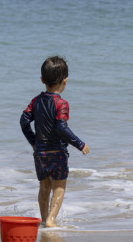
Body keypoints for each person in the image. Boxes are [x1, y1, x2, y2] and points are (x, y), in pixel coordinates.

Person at [20, 56, 90, 227]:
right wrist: (80, 144)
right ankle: (51, 220)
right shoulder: (62, 104)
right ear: (65, 81)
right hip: (57, 153)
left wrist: (33, 141)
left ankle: (44, 220)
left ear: (42, 80)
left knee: (44, 187)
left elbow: (24, 120)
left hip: (40, 153)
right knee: (59, 187)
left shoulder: (36, 101)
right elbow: (61, 128)